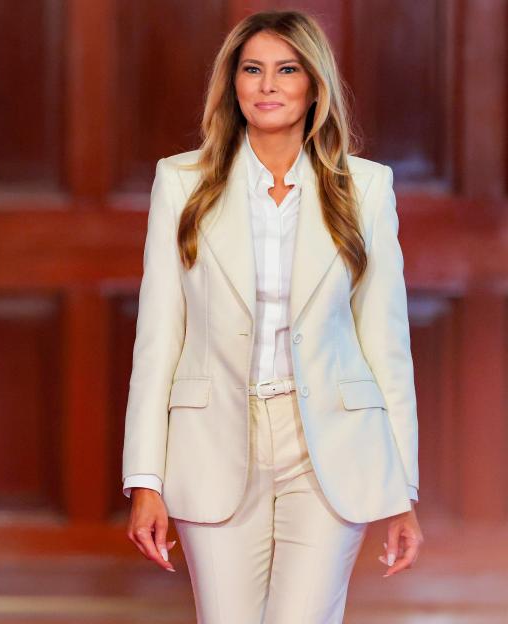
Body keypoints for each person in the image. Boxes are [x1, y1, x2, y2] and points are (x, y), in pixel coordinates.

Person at [121, 10, 423, 623]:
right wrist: (145, 479)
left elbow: (386, 344)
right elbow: (157, 342)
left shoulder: (365, 188)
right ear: (232, 85)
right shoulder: (181, 183)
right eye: (252, 70)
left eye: (287, 70)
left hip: (330, 446)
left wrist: (402, 492)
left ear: (314, 84)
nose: (268, 85)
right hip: (215, 441)